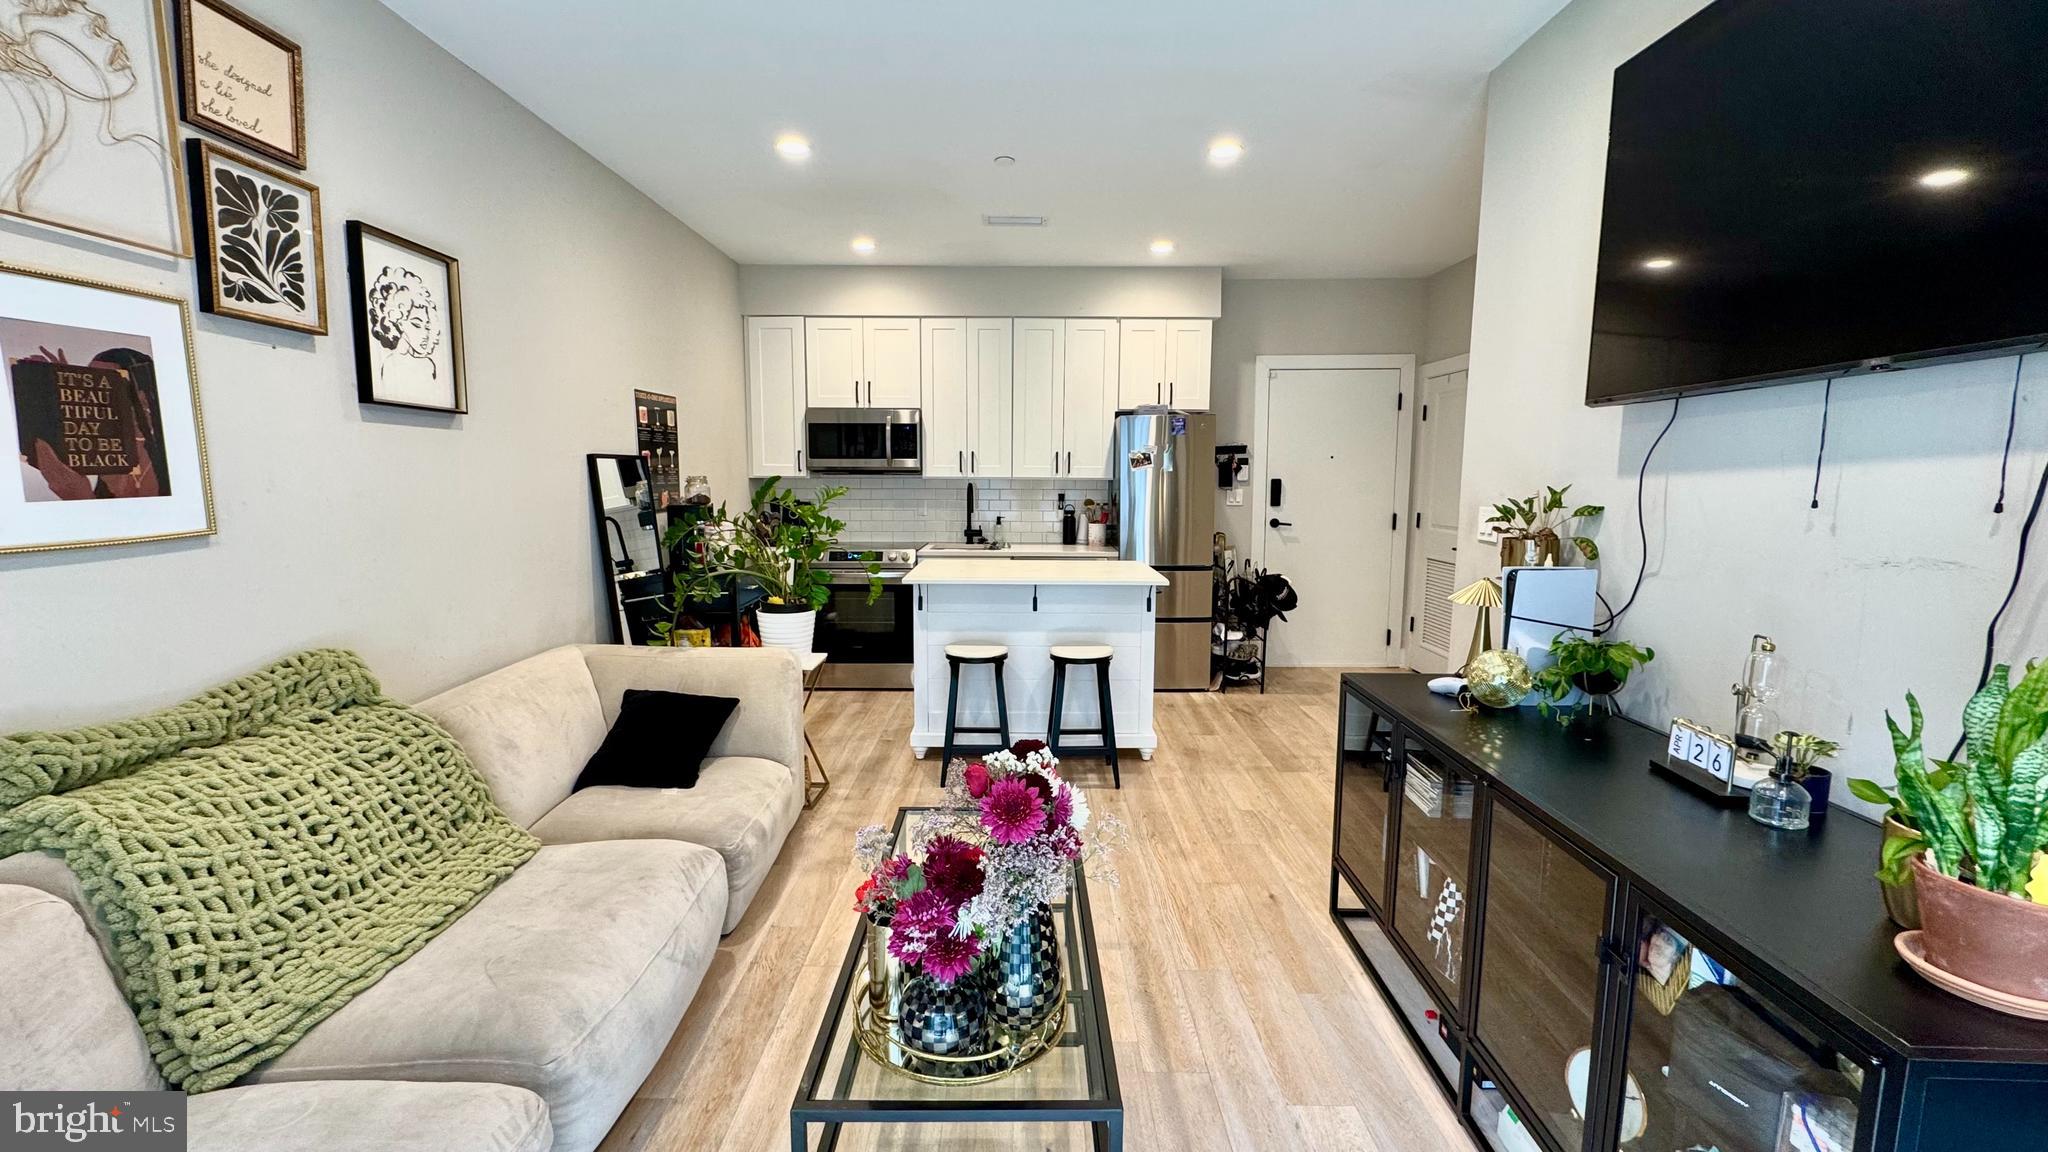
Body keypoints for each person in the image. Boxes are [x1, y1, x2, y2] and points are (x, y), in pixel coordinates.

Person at [0, 1, 174, 243]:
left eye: (104, 29)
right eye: (95, 31)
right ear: (29, 60)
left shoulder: (150, 156)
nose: (116, 42)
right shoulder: (31, 192)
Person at [365, 265, 444, 397]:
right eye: (417, 324)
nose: (425, 334)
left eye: (428, 327)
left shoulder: (428, 365)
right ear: (398, 322)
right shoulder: (391, 365)